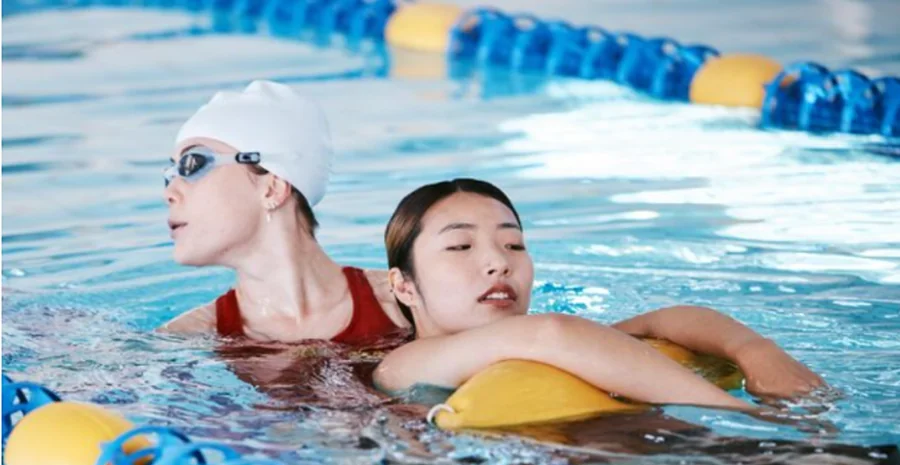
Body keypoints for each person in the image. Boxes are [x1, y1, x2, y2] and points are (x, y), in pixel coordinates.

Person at [374, 178, 826, 413]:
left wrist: (755, 351)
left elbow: (661, 321)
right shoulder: (402, 368)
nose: (499, 262)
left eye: (514, 245)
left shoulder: (559, 343)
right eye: (460, 247)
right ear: (404, 286)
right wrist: (744, 418)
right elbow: (551, 333)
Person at [158, 80, 407, 344]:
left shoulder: (405, 303)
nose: (169, 192)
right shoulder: (185, 339)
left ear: (272, 188)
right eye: (170, 175)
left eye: (192, 164)